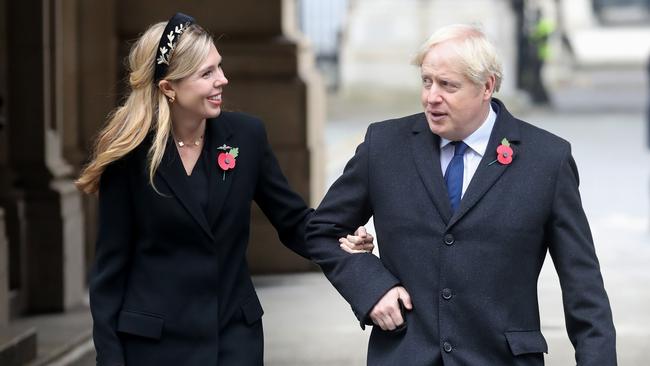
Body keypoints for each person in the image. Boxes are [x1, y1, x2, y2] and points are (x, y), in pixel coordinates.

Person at [306, 24, 616, 365]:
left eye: (448, 85)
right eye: (426, 81)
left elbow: (583, 289)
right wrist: (370, 287)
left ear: (487, 87)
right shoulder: (384, 146)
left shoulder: (547, 159)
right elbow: (322, 230)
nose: (431, 96)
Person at [76, 13, 373, 366]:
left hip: (233, 340)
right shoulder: (128, 158)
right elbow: (110, 272)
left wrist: (341, 239)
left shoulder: (246, 137)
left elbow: (294, 221)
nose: (223, 80)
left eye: (219, 67)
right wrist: (110, 359)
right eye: (207, 73)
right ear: (168, 88)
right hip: (153, 346)